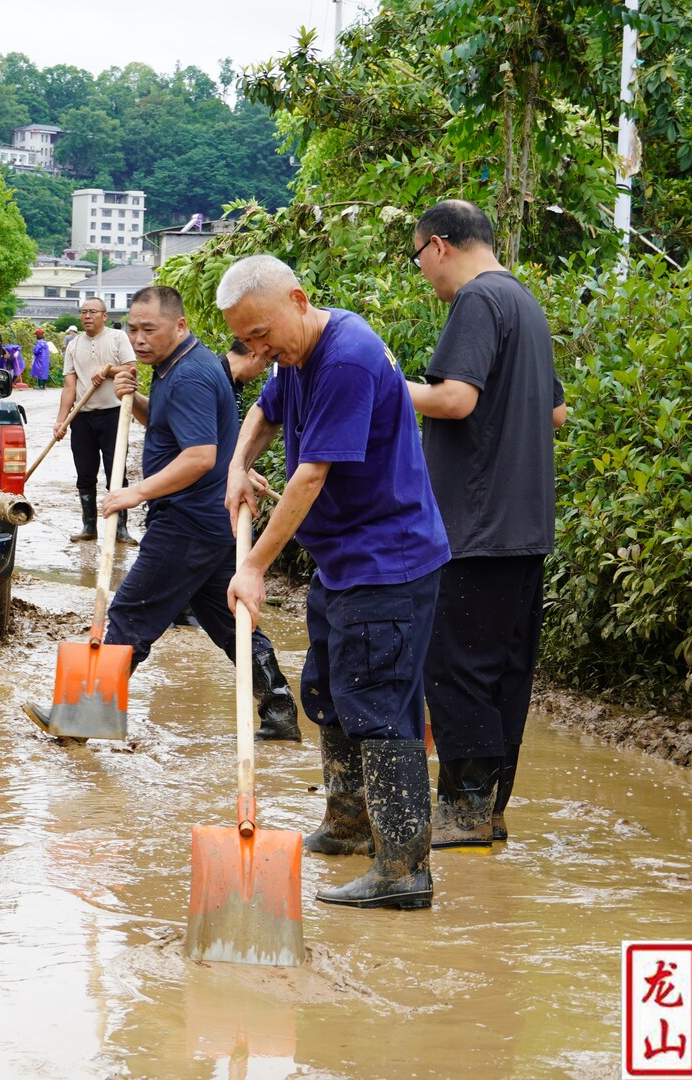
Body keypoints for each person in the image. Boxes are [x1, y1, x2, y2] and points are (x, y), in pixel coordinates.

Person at [219, 254, 451, 910]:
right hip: (344, 561)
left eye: (263, 334)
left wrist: (255, 565)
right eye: (246, 341)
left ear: (298, 298)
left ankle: (403, 868)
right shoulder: (294, 360)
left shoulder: (345, 358)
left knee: (378, 704)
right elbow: (263, 414)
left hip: (389, 562)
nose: (258, 350)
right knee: (328, 687)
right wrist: (239, 464)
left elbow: (310, 476)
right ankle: (349, 825)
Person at [22, 287, 299, 739]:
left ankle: (81, 719)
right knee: (229, 620)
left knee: (132, 613)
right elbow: (174, 428)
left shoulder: (188, 375)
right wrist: (138, 403)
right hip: (212, 520)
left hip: (187, 519)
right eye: (132, 328)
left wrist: (134, 493)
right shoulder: (181, 366)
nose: (139, 338)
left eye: (149, 329)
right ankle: (280, 710)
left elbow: (199, 457)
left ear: (180, 325)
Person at [406, 200, 567, 847]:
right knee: (503, 671)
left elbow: (455, 398)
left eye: (418, 259)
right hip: (525, 529)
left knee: (453, 668)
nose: (423, 273)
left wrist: (384, 384)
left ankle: (464, 811)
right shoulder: (524, 303)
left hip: (472, 527)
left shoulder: (476, 301)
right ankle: (489, 808)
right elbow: (556, 415)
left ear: (439, 246)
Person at [53, 297, 136, 541]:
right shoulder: (74, 345)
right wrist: (61, 421)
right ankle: (89, 527)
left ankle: (120, 529)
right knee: (85, 473)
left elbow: (131, 369)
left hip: (114, 415)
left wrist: (108, 371)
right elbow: (69, 387)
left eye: (92, 311)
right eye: (83, 312)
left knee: (116, 472)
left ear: (105, 315)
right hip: (82, 417)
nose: (87, 316)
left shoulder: (117, 338)